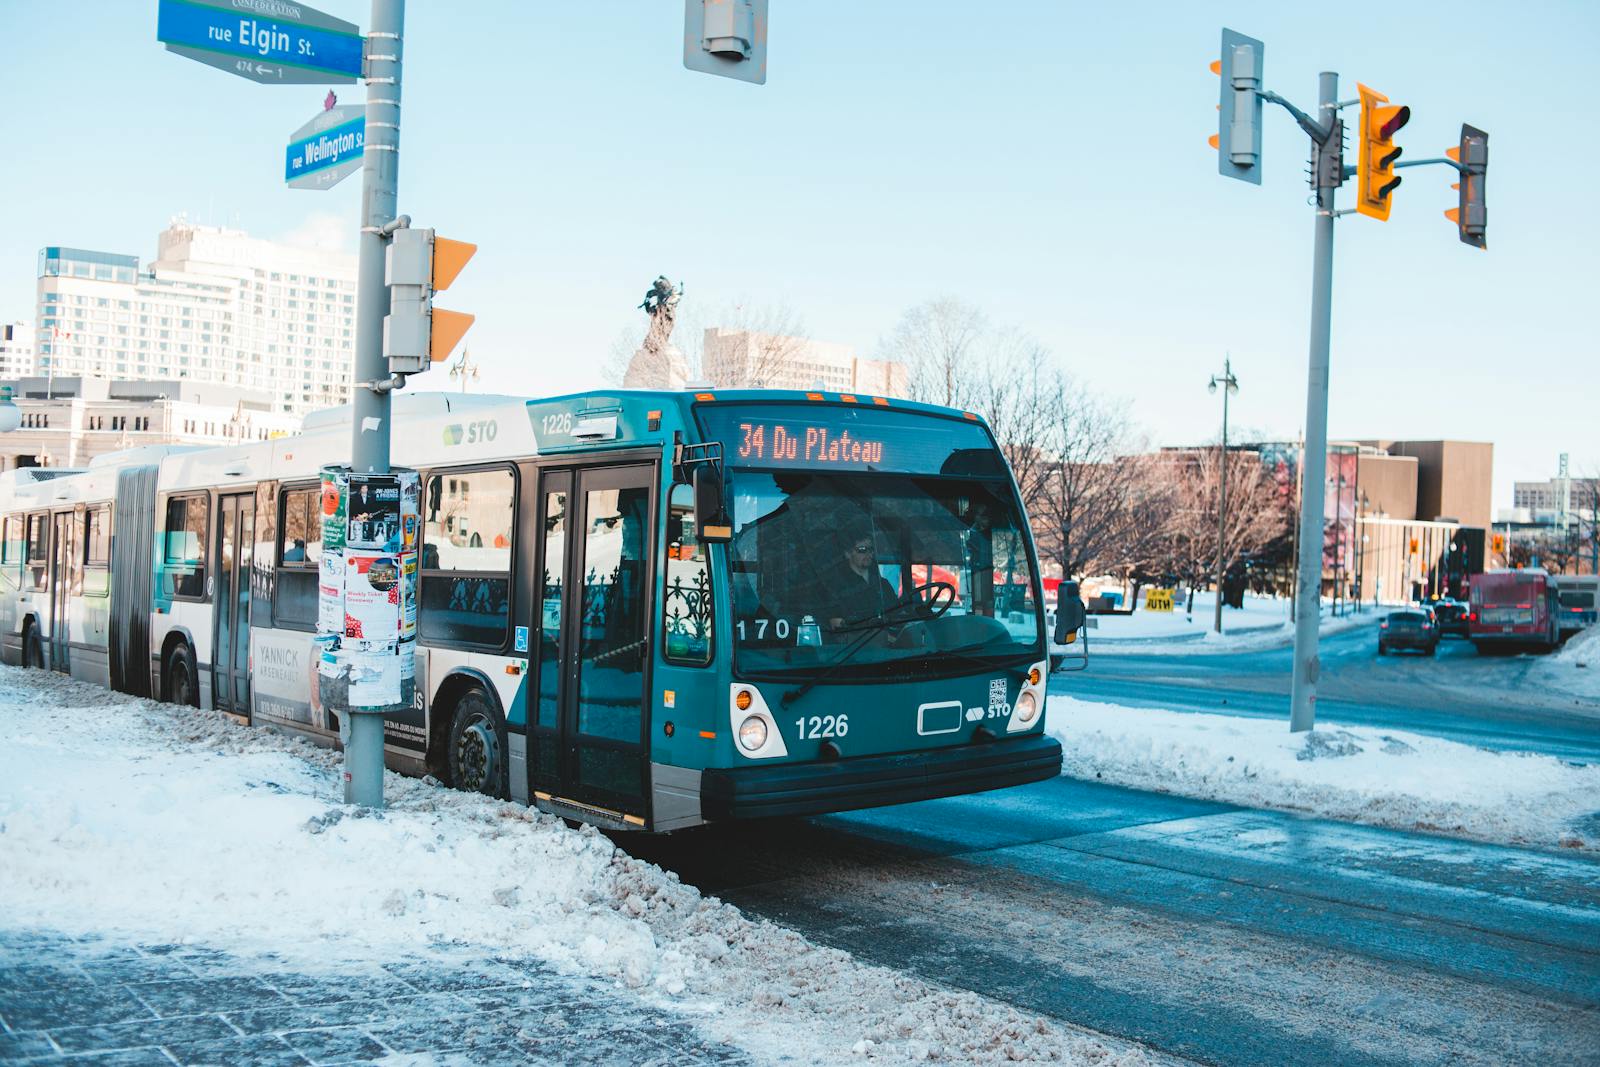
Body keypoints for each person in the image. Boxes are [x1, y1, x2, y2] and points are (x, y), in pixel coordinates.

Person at [825, 531, 899, 631]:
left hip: (888, 643)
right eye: (862, 550)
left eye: (871, 549)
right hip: (857, 645)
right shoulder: (837, 587)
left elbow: (898, 616)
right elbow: (837, 627)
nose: (868, 553)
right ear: (848, 554)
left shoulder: (883, 585)